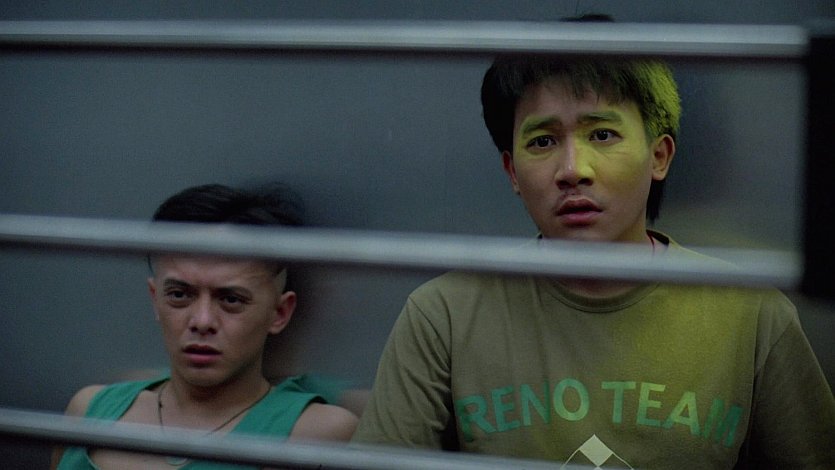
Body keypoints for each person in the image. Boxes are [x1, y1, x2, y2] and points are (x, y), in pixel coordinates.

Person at [352, 52, 835, 468]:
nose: (572, 170)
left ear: (659, 156)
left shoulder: (751, 313)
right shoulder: (444, 316)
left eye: (602, 134)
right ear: (512, 172)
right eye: (542, 141)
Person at [52, 183, 358, 470]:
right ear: (155, 299)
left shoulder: (317, 433)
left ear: (280, 313)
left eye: (231, 299)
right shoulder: (90, 410)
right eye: (179, 295)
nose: (202, 322)